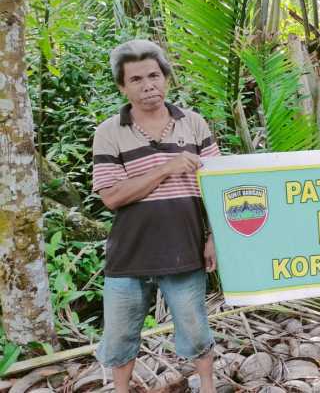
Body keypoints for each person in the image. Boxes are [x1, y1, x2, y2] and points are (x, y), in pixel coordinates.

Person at [92, 39, 220, 392]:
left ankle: (208, 386)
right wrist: (165, 168)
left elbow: (218, 185)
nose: (148, 85)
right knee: (120, 334)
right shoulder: (109, 132)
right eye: (136, 79)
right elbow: (112, 197)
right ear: (122, 87)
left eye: (154, 75)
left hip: (185, 247)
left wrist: (214, 236)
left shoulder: (193, 124)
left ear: (166, 77)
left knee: (195, 327)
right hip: (129, 252)